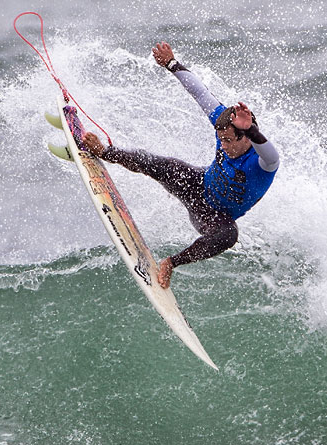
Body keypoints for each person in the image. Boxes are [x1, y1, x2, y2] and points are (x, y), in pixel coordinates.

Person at [82, 42, 280, 289]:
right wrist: (171, 64)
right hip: (197, 184)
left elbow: (272, 154)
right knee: (160, 163)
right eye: (221, 140)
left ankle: (171, 263)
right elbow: (200, 93)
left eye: (228, 141)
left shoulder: (263, 163)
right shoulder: (223, 121)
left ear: (246, 137)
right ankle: (105, 151)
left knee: (229, 236)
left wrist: (250, 128)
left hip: (213, 215)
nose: (224, 146)